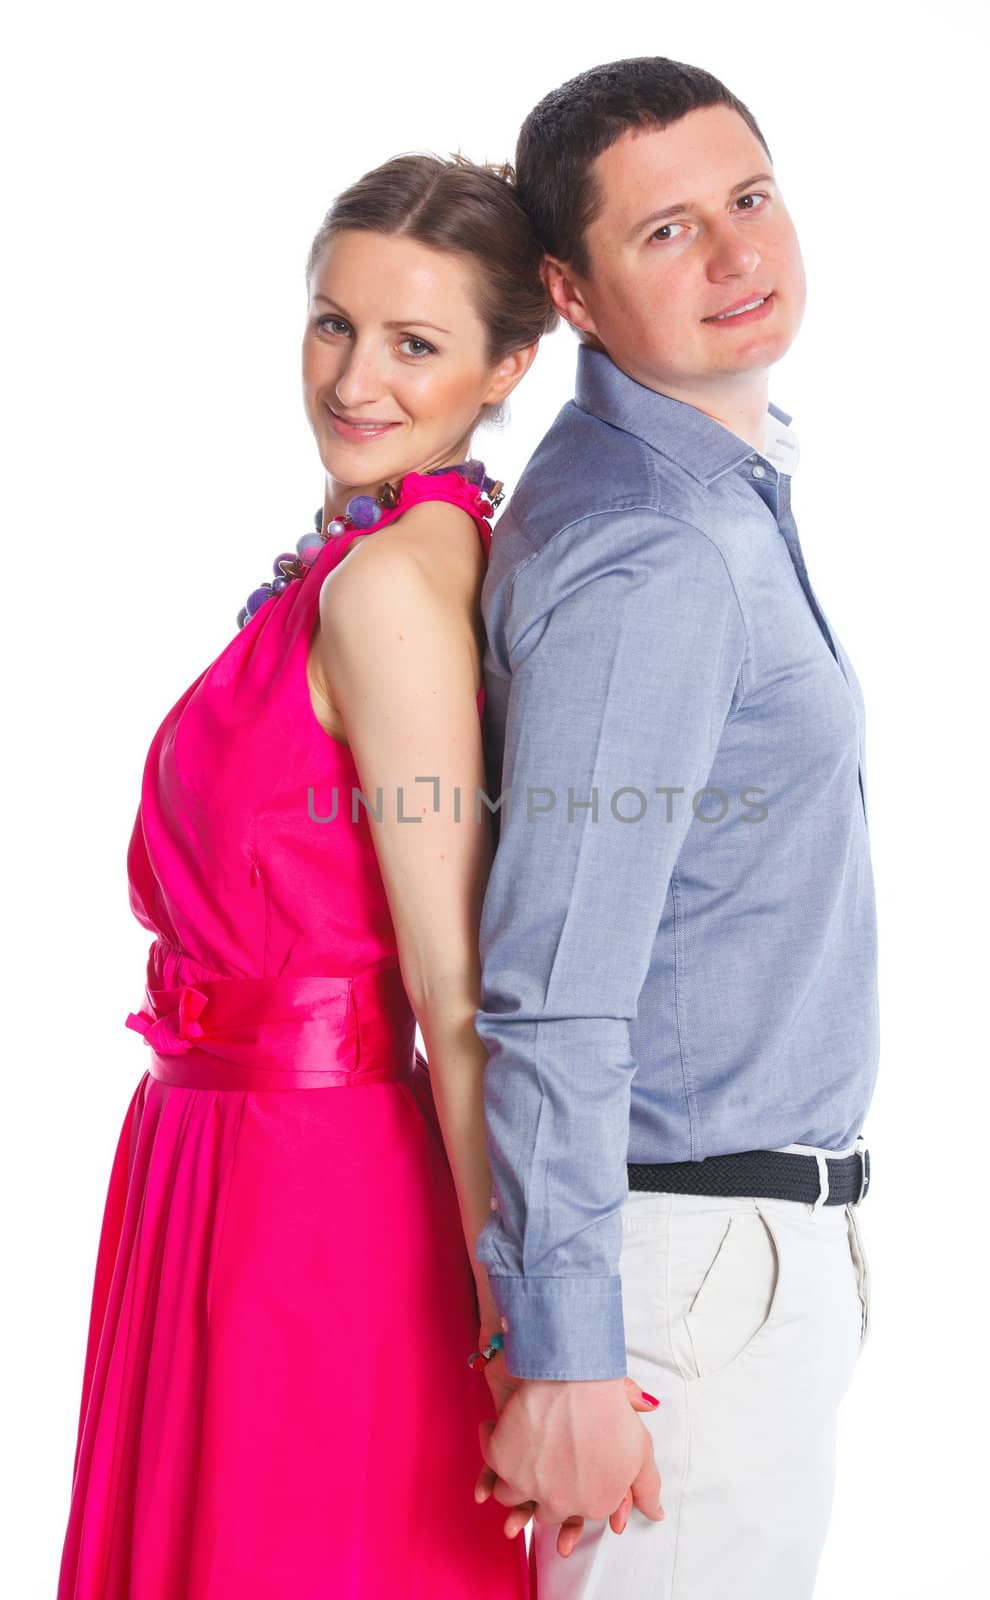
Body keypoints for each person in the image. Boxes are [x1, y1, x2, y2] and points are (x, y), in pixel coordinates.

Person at [55, 150, 655, 1600]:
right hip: (216, 1164)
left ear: (513, 358)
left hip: (307, 1196)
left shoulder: (390, 585)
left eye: (414, 344)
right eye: (332, 323)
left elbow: (457, 990)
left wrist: (529, 1333)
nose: (353, 380)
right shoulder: (375, 550)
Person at [471, 58, 879, 1599]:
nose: (735, 256)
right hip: (682, 1283)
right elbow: (554, 980)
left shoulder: (708, 487)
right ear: (570, 290)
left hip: (727, 1256)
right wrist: (568, 1355)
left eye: (750, 199)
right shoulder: (656, 552)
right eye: (666, 233)